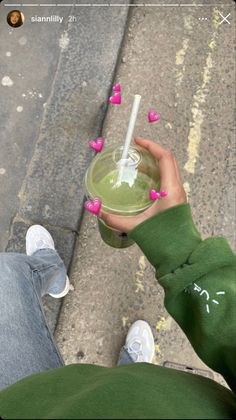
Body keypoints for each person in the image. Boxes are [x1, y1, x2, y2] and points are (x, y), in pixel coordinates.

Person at [0, 137, 235, 419]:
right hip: (148, 398)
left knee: (7, 276)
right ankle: (128, 368)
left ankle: (127, 371)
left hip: (27, 403)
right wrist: (177, 245)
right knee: (129, 384)